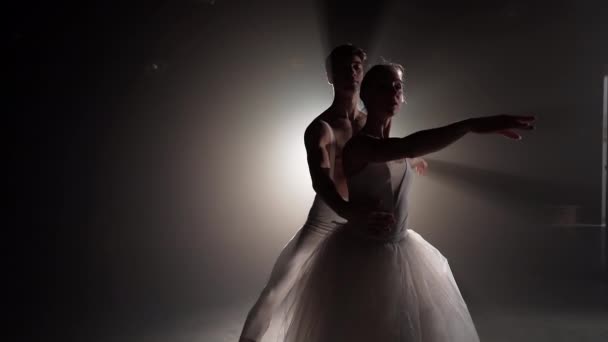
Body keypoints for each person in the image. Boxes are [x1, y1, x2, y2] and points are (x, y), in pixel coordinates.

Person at [281, 63, 535, 342]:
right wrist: (470, 125)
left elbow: (405, 151)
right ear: (367, 95)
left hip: (401, 249)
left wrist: (415, 159)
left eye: (398, 87)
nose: (393, 92)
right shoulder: (360, 145)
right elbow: (407, 147)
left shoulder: (390, 145)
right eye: (383, 87)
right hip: (363, 258)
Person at [239, 45, 427, 342]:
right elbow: (321, 181)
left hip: (363, 213)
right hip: (329, 215)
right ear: (330, 75)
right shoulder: (321, 127)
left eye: (356, 66)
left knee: (372, 290)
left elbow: (386, 151)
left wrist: (412, 160)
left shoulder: (372, 118)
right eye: (342, 67)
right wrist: (349, 212)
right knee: (280, 283)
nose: (350, 73)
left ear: (362, 73)